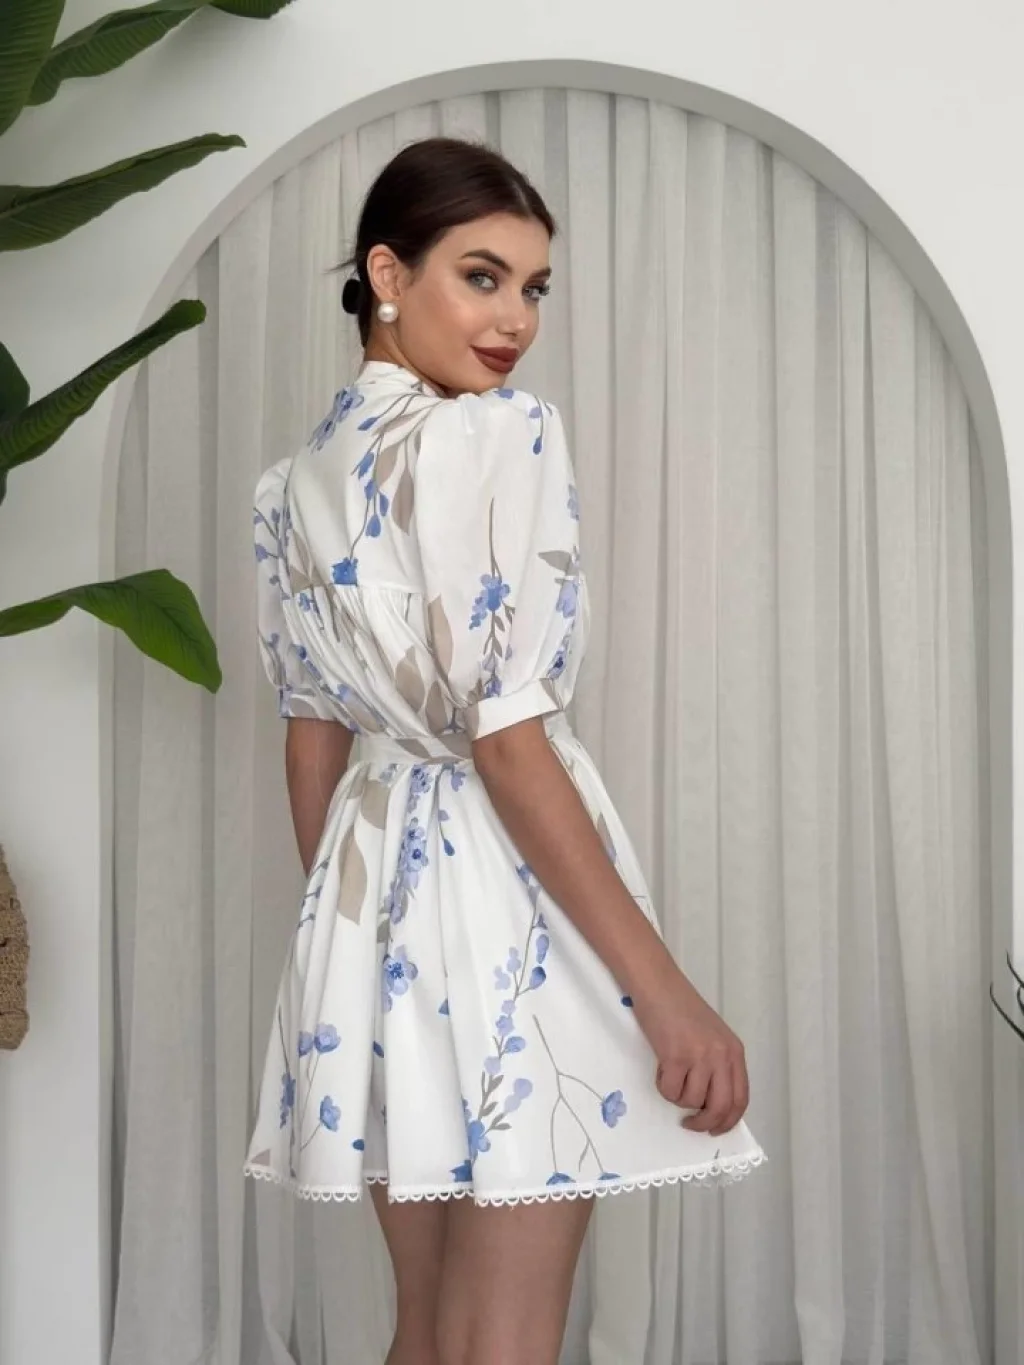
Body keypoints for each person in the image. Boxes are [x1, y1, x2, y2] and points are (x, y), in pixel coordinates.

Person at [245, 136, 766, 1365]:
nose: (514, 320)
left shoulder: (290, 485)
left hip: (370, 910)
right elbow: (509, 741)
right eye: (480, 277)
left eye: (532, 288)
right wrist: (665, 994)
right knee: (507, 1337)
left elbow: (312, 732)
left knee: (428, 1330)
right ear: (388, 273)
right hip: (506, 895)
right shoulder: (496, 434)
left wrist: (352, 946)